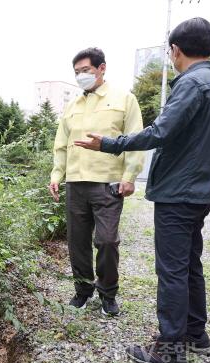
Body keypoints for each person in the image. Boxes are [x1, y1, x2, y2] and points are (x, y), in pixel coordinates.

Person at [74, 18, 210, 363]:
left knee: (173, 269)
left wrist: (109, 144)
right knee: (190, 264)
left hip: (179, 192)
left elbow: (160, 132)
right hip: (201, 191)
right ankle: (196, 335)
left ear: (176, 50)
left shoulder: (192, 83)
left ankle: (170, 348)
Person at [49, 47, 145, 316]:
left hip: (108, 183)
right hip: (76, 183)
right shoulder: (72, 106)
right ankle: (82, 290)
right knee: (77, 242)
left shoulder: (124, 99)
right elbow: (61, 144)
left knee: (106, 241)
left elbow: (135, 141)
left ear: (102, 68)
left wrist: (129, 176)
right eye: (77, 72)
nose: (81, 76)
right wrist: (57, 175)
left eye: (86, 70)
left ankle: (107, 293)